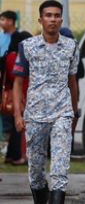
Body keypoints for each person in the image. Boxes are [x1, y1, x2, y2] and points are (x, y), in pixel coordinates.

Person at [12, 0, 80, 204]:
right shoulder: (27, 46)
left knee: (60, 168)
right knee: (36, 170)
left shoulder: (71, 46)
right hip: (35, 115)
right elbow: (17, 82)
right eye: (49, 15)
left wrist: (74, 112)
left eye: (57, 15)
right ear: (41, 19)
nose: (53, 19)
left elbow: (72, 82)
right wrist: (17, 114)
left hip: (62, 113)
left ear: (61, 19)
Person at [1, 10, 32, 165]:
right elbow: (17, 78)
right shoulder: (18, 57)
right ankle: (20, 155)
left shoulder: (10, 56)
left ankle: (13, 155)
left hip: (13, 95)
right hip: (20, 95)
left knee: (15, 127)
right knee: (20, 126)